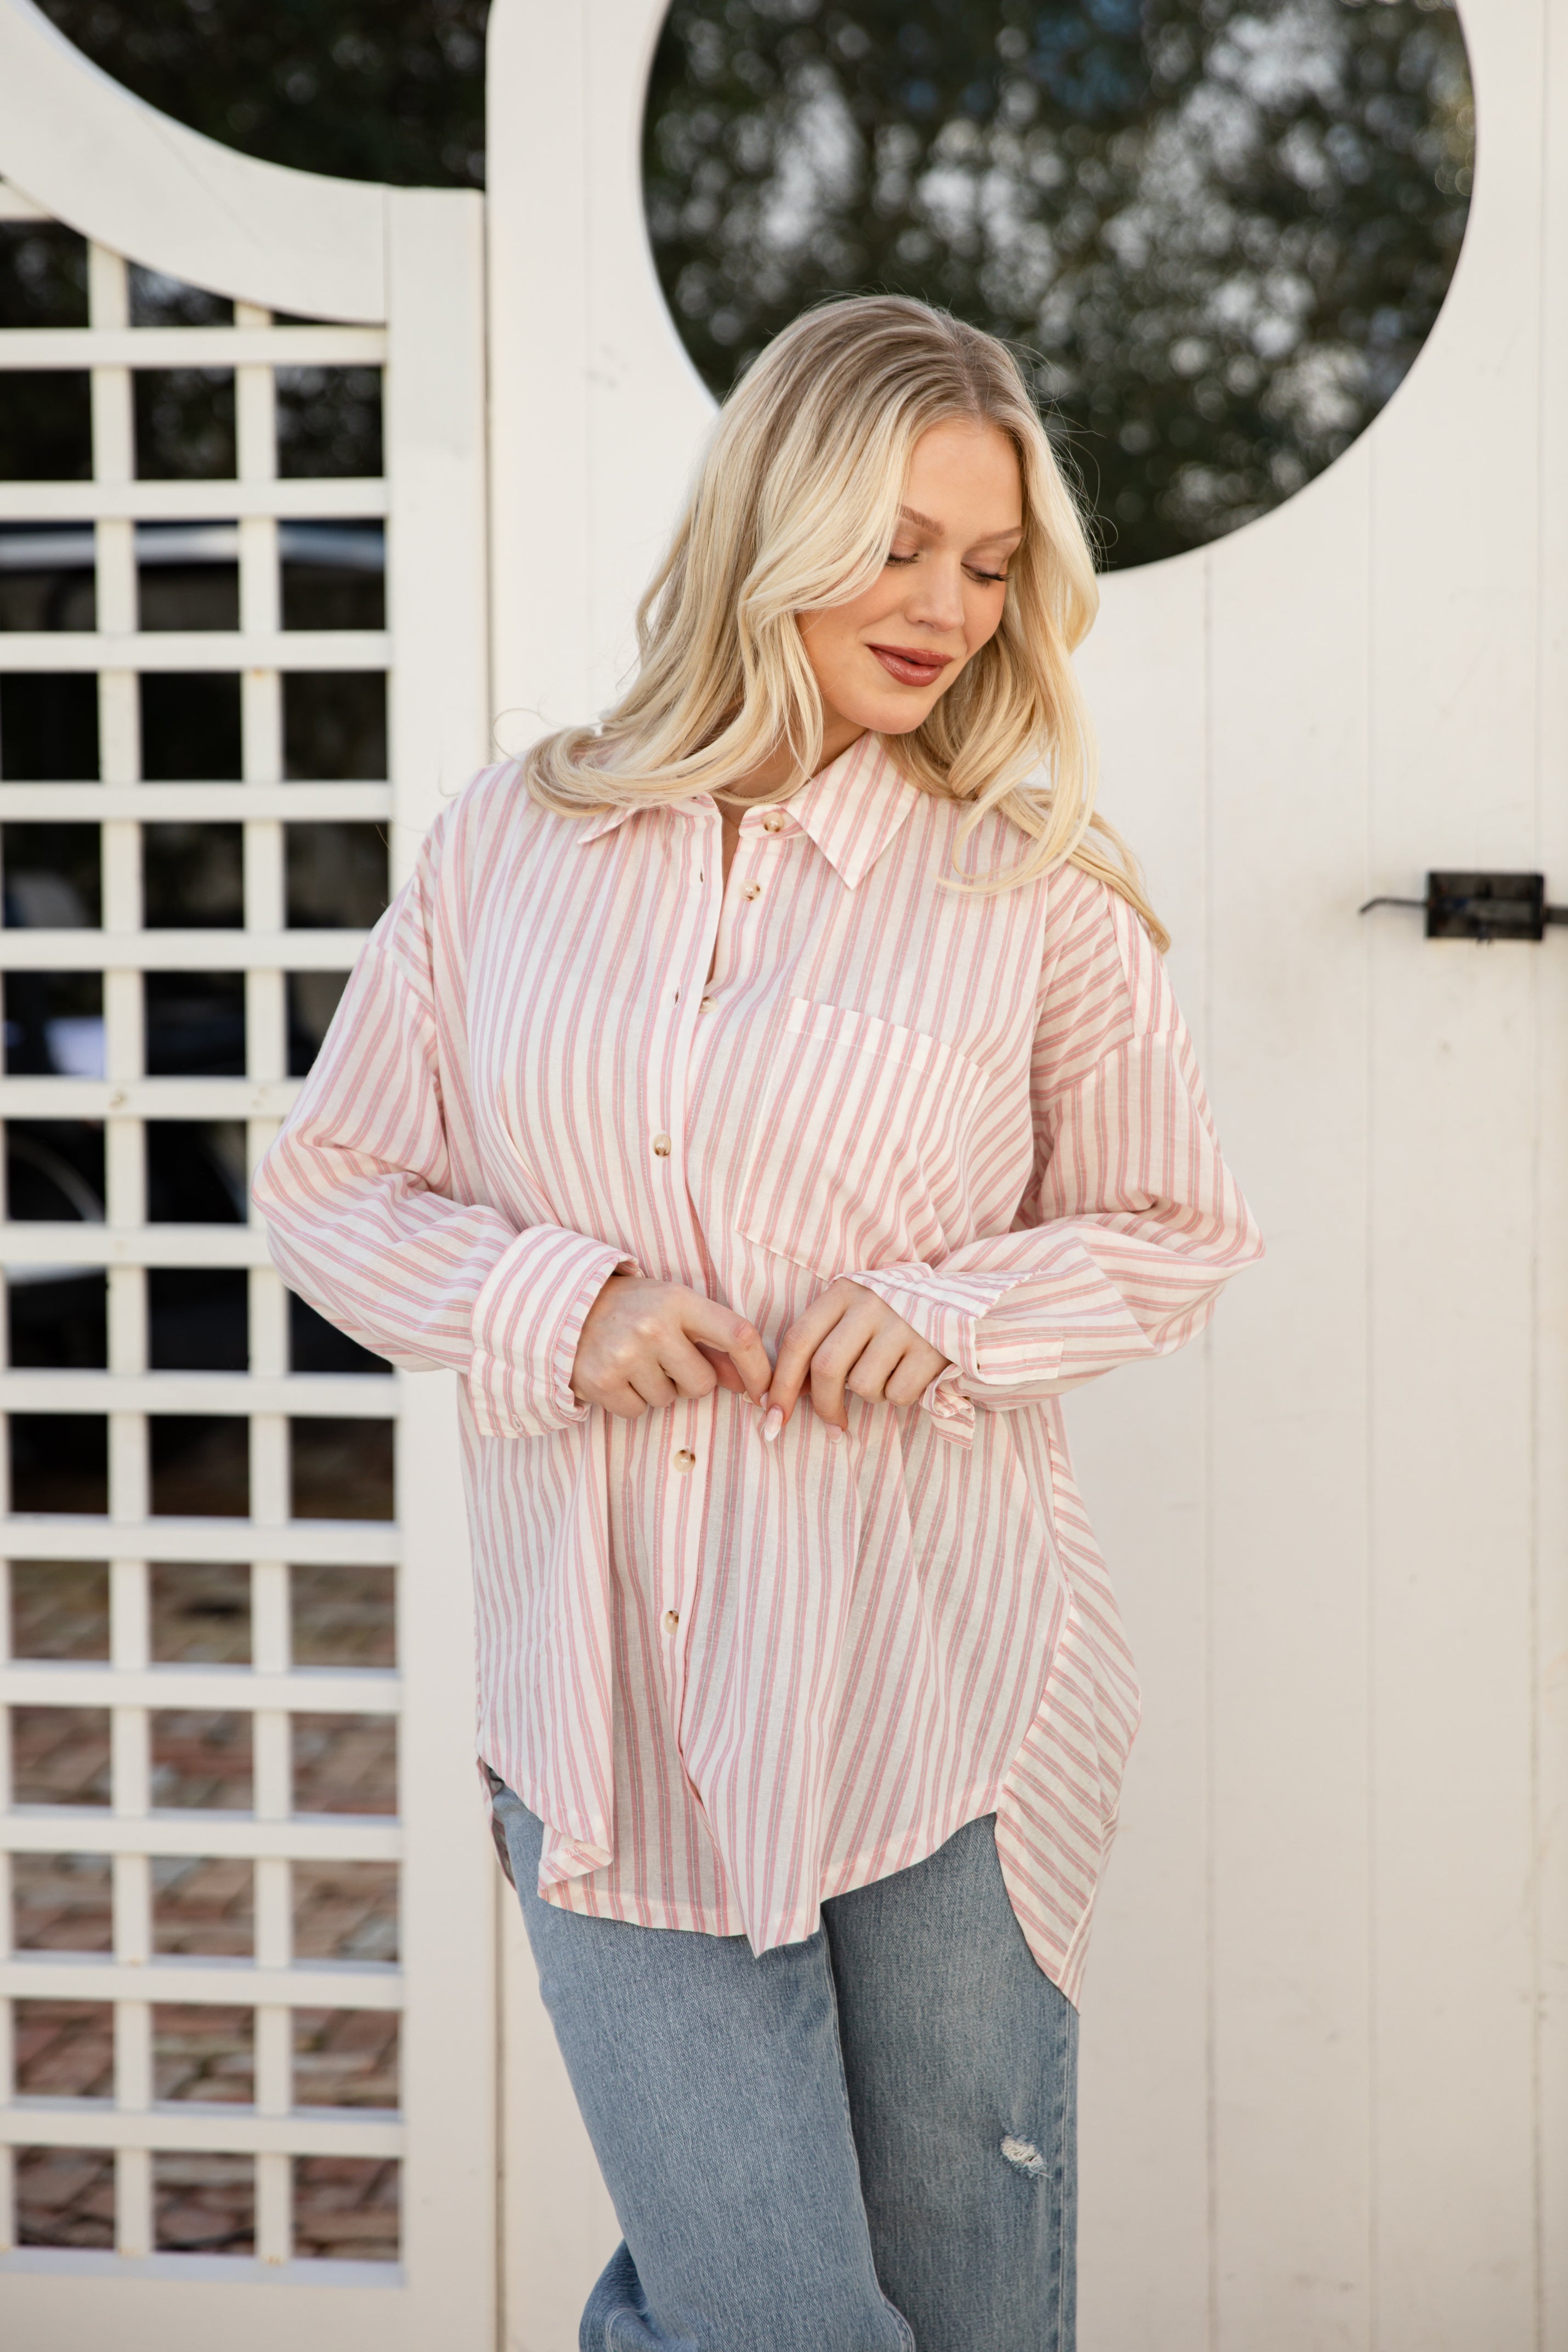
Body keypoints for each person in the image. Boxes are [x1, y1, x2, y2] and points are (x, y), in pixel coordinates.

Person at [254, 295, 1261, 2351]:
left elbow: (1174, 1227)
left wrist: (945, 1311)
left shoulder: (1031, 888)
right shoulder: (507, 844)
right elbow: (330, 1183)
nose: (949, 610)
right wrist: (556, 1298)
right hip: (604, 1705)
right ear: (770, 528)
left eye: (989, 565)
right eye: (897, 546)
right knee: (766, 2315)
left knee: (964, 2314)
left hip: (934, 1693)